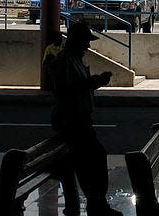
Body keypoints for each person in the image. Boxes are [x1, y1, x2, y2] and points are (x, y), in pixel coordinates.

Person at [51, 24, 121, 216]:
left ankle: (96, 202)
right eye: (85, 42)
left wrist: (94, 81)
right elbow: (68, 90)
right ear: (76, 42)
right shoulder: (66, 61)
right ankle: (96, 203)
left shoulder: (72, 60)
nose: (87, 47)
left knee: (92, 159)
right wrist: (95, 82)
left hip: (79, 120)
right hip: (74, 121)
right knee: (94, 158)